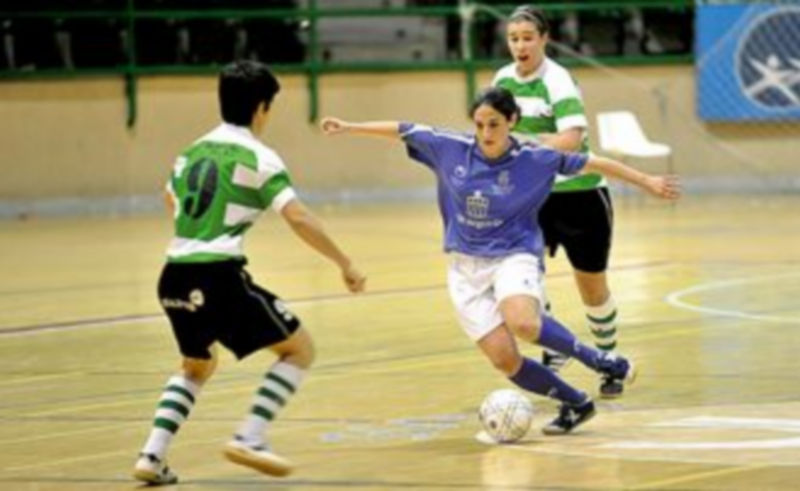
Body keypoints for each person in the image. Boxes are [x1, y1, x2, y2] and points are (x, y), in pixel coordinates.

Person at [320, 87, 679, 435]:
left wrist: (646, 180)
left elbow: (592, 162)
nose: (485, 132)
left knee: (522, 321)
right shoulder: (450, 148)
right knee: (505, 361)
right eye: (479, 124)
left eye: (493, 124)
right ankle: (576, 403)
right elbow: (403, 129)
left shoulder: (534, 159)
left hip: (514, 254)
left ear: (512, 121)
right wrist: (350, 127)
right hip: (464, 267)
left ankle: (598, 360)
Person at [132, 60, 366, 485]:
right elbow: (298, 217)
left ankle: (152, 454)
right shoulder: (261, 157)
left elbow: (171, 199)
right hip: (217, 276)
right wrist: (345, 263)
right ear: (262, 108)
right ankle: (250, 437)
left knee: (196, 365)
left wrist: (203, 231)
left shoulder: (192, 150)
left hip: (173, 275)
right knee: (299, 350)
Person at [493, 5, 625, 397]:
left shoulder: (558, 80)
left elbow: (570, 139)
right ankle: (556, 348)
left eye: (528, 37)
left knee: (591, 285)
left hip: (579, 196)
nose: (520, 45)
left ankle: (608, 359)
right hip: (532, 197)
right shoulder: (503, 79)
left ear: (544, 39)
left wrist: (523, 145)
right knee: (525, 276)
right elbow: (493, 127)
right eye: (514, 38)